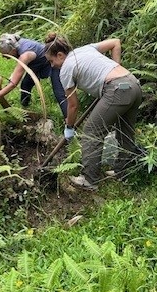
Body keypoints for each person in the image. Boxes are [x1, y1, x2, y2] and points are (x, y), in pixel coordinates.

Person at [44, 32, 142, 191]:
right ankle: (121, 172)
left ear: (60, 55)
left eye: (51, 60)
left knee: (92, 131)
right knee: (125, 131)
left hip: (117, 89)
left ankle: (89, 180)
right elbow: (115, 42)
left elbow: (73, 105)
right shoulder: (85, 49)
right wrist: (116, 68)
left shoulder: (66, 69)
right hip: (132, 83)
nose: (52, 65)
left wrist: (69, 127)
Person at [0, 33, 68, 117]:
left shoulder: (25, 55)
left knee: (59, 93)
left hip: (52, 62)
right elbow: (18, 68)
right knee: (26, 84)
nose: (4, 57)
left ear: (13, 50)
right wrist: (13, 74)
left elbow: (13, 83)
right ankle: (24, 109)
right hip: (36, 64)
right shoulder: (14, 43)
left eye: (5, 54)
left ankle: (70, 122)